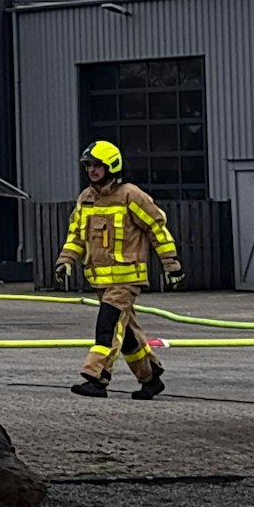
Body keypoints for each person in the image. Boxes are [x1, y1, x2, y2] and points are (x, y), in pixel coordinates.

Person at [55, 140, 183, 399]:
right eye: (88, 166)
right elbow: (76, 235)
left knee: (108, 324)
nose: (91, 171)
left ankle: (97, 377)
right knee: (127, 336)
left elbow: (157, 228)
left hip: (126, 279)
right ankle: (150, 378)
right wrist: (65, 260)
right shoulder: (86, 198)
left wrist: (171, 264)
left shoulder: (130, 195)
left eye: (97, 166)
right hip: (101, 280)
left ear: (111, 166)